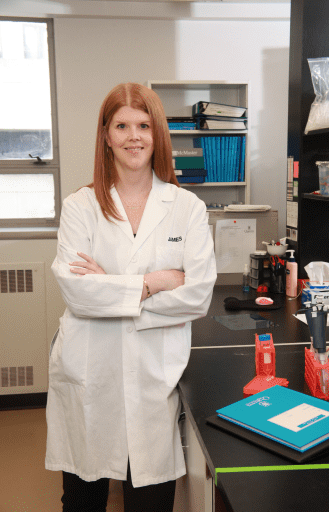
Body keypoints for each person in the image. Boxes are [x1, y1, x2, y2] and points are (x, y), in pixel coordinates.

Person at [46, 82, 216, 511]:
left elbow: (198, 296)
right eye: (121, 126)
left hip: (152, 380)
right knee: (82, 501)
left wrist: (112, 289)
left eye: (143, 125)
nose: (133, 137)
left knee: (150, 500)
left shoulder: (187, 207)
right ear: (106, 135)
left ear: (157, 134)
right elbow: (77, 292)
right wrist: (153, 282)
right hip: (90, 374)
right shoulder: (81, 206)